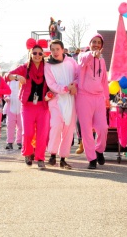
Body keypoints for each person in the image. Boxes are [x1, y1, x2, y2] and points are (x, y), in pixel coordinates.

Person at [8, 39, 50, 169]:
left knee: (42, 133)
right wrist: (17, 77)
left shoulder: (47, 68)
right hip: (28, 106)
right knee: (28, 133)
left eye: (40, 53)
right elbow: (7, 75)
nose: (37, 55)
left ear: (43, 55)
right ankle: (27, 153)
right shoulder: (25, 68)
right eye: (34, 53)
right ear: (30, 54)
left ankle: (40, 158)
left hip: (43, 106)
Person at [76, 34, 109, 169]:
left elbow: (104, 80)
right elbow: (83, 60)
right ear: (90, 44)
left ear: (101, 45)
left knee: (103, 128)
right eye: (93, 42)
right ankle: (91, 158)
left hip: (99, 97)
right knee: (86, 130)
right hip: (84, 96)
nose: (96, 44)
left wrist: (106, 98)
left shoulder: (102, 60)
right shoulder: (83, 56)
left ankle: (99, 150)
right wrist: (92, 55)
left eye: (98, 42)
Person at [44, 39, 78, 169]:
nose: (55, 52)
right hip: (57, 100)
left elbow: (77, 76)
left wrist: (74, 85)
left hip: (70, 100)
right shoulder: (48, 65)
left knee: (68, 129)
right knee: (56, 126)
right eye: (52, 49)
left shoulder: (71, 61)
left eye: (57, 49)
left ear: (63, 50)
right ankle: (52, 155)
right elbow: (51, 84)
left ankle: (63, 158)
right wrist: (65, 88)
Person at [3, 70, 22, 151]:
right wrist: (6, 97)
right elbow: (6, 92)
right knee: (10, 125)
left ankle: (20, 141)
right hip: (11, 105)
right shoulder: (9, 82)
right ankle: (9, 142)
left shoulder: (22, 81)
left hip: (21, 106)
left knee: (21, 126)